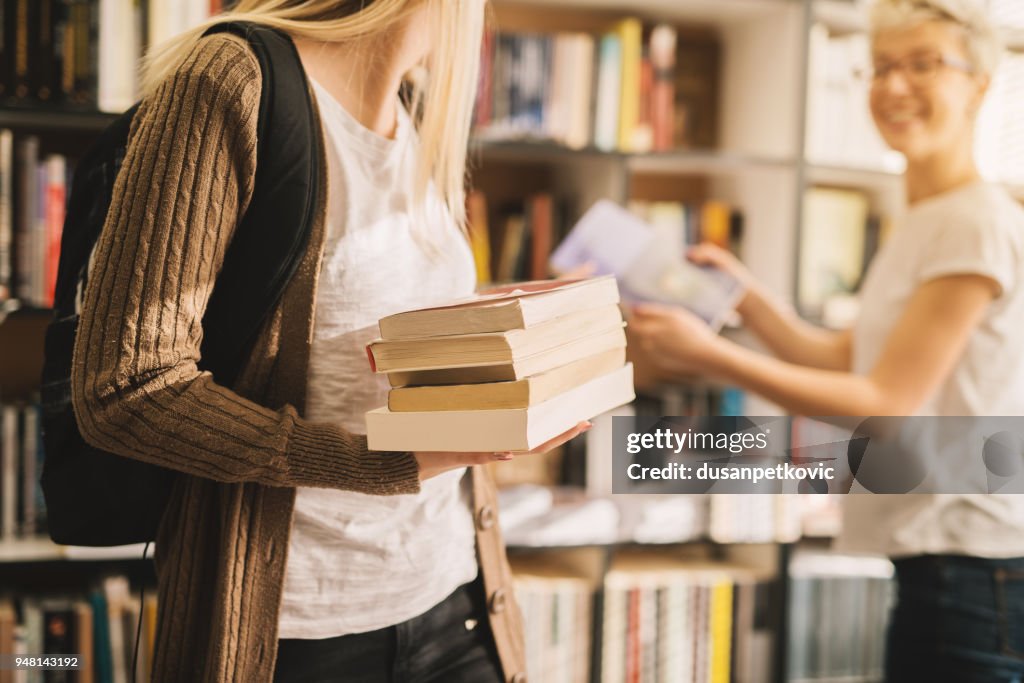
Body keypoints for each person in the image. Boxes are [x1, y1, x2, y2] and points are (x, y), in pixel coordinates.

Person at [70, 1, 587, 681]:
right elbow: (127, 387)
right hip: (299, 633)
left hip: (456, 600)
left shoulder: (416, 107)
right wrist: (378, 460)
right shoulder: (232, 78)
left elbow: (361, 324)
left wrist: (503, 332)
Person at [628, 0, 1024, 680]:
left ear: (981, 84)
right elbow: (849, 359)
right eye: (881, 66)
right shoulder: (928, 218)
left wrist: (709, 354)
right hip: (951, 565)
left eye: (924, 64)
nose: (895, 86)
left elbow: (885, 403)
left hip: (974, 569)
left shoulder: (973, 223)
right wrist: (746, 298)